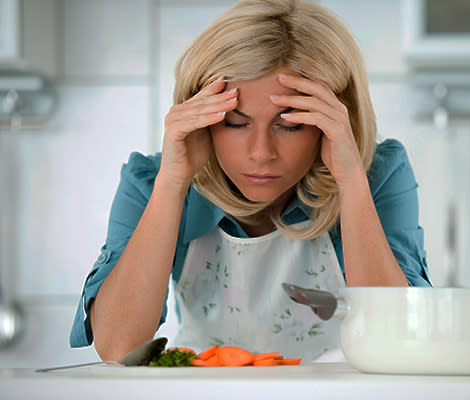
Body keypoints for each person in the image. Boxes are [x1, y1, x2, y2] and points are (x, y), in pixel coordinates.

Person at [69, 0, 431, 362]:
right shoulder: (151, 183)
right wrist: (173, 182)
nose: (261, 152)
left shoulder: (376, 175)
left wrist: (351, 179)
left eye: (290, 125)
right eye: (235, 123)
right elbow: (118, 346)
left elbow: (397, 335)